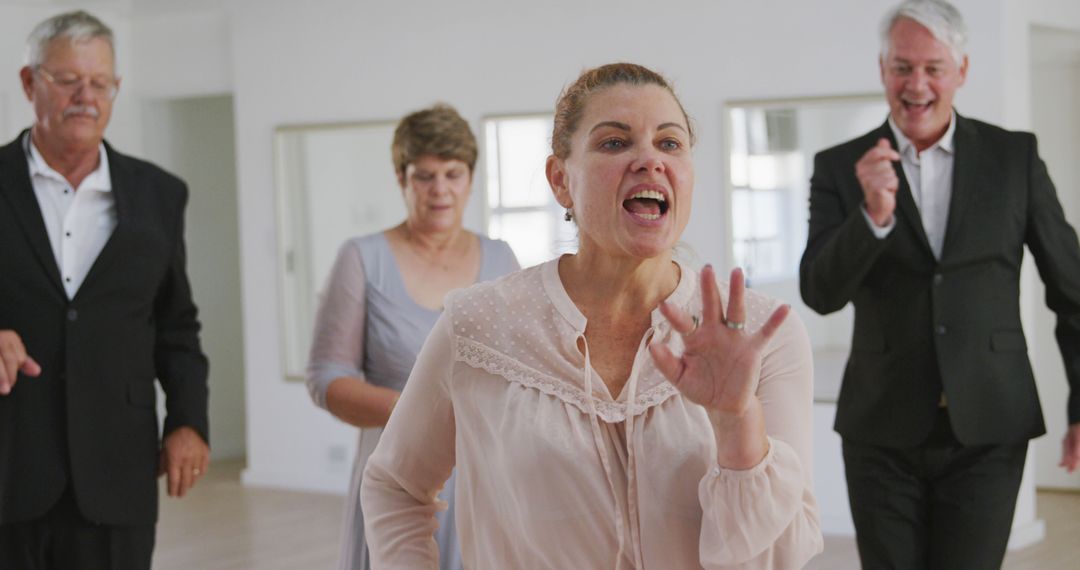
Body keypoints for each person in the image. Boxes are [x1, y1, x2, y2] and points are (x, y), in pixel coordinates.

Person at [361, 63, 822, 569]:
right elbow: (395, 485)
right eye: (614, 143)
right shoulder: (476, 324)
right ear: (561, 180)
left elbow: (781, 555)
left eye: (670, 144)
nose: (649, 160)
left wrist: (737, 424)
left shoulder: (760, 335)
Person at [799, 1, 1080, 568]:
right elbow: (819, 294)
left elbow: (1072, 290)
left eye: (933, 67)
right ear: (882, 70)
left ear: (962, 71)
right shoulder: (840, 166)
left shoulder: (1013, 157)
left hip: (990, 424)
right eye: (902, 67)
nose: (917, 84)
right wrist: (871, 219)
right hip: (880, 429)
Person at [0, 10, 211, 569]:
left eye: (101, 83)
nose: (85, 97)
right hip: (9, 465)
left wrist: (188, 421)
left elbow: (176, 325)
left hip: (118, 472)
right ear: (29, 83)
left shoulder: (160, 195)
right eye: (68, 80)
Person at [305, 103, 519, 570]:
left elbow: (522, 370)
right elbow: (326, 379)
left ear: (470, 178)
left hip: (479, 478)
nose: (439, 189)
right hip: (395, 474)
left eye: (452, 173)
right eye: (424, 176)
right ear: (402, 179)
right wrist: (421, 413)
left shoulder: (501, 260)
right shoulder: (362, 258)